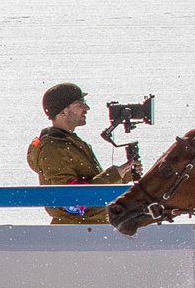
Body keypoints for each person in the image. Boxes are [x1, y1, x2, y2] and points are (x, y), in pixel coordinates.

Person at [28, 83, 140, 224]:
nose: (86, 108)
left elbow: (87, 187)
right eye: (79, 104)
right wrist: (115, 175)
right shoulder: (54, 150)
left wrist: (123, 176)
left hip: (88, 229)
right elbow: (73, 202)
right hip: (78, 232)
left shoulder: (69, 143)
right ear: (62, 111)